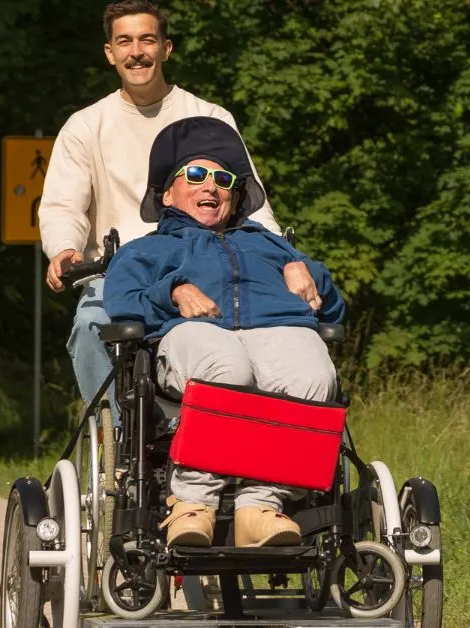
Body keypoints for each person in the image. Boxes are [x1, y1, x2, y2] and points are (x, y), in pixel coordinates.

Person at [37, 0, 321, 422]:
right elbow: (64, 203)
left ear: (165, 49)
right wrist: (64, 248)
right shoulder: (86, 125)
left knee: (279, 324)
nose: (136, 51)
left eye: (147, 40)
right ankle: (119, 431)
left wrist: (289, 260)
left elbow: (249, 206)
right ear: (110, 53)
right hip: (120, 270)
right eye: (125, 41)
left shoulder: (208, 118)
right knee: (90, 324)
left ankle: (255, 441)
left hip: (203, 259)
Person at [103, 116, 345, 548]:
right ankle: (192, 503)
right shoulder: (148, 249)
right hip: (192, 334)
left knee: (314, 376)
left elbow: (334, 307)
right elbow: (121, 303)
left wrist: (303, 269)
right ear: (169, 191)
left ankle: (261, 505)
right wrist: (173, 291)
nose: (210, 186)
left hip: (277, 328)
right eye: (195, 174)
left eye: (222, 178)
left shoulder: (270, 245)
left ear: (235, 195)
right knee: (226, 366)